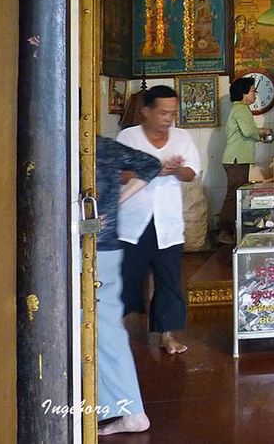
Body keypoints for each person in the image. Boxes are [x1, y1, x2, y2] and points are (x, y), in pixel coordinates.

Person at [117, 85, 201, 355]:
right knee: (127, 279)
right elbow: (119, 174)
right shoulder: (128, 137)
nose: (168, 118)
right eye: (163, 112)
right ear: (146, 111)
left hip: (168, 222)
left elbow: (191, 173)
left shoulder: (182, 137)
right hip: (133, 222)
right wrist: (153, 168)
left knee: (168, 280)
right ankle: (118, 332)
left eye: (173, 113)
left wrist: (176, 170)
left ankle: (167, 335)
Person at [94, 136, 161, 436]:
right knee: (102, 328)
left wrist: (117, 200)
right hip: (105, 244)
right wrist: (118, 200)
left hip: (90, 245)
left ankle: (131, 410)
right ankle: (111, 405)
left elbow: (152, 164)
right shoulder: (102, 145)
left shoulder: (64, 144)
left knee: (105, 330)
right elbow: (150, 164)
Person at [217, 77, 270, 245]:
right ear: (243, 93)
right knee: (234, 195)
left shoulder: (239, 108)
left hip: (237, 159)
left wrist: (259, 135)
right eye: (253, 90)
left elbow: (245, 133)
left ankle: (231, 230)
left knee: (236, 194)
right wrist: (263, 132)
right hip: (236, 159)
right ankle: (224, 231)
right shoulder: (241, 109)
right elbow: (248, 131)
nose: (254, 94)